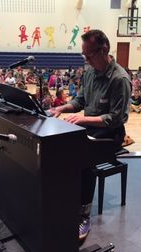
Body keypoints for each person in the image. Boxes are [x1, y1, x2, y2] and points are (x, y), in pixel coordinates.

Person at [48, 29, 131, 241]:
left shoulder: (119, 79)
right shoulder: (90, 73)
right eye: (83, 55)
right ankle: (68, 199)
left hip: (111, 133)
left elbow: (117, 118)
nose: (86, 60)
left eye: (89, 55)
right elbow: (80, 101)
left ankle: (83, 215)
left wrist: (84, 120)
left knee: (82, 157)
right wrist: (61, 109)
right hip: (92, 127)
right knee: (61, 147)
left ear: (104, 50)